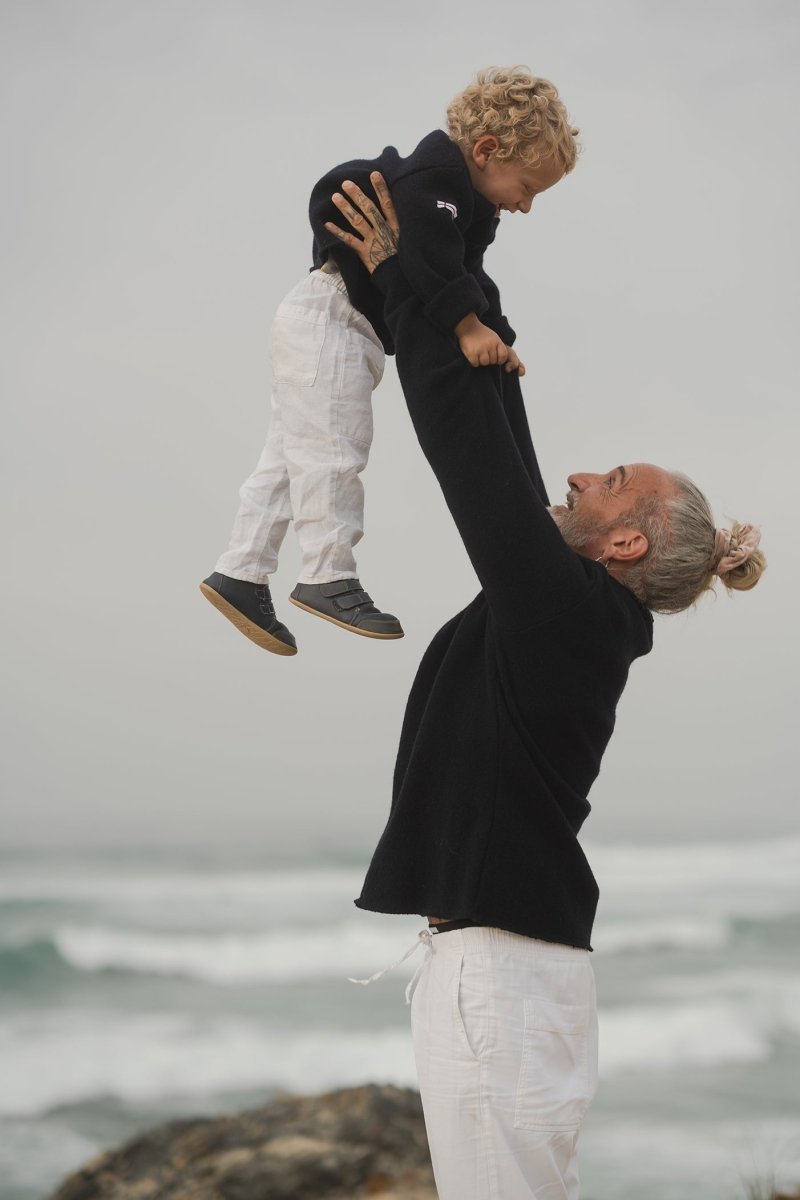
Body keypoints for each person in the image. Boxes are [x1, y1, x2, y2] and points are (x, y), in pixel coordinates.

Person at [327, 176, 765, 1200]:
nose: (575, 475)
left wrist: (402, 286)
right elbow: (502, 439)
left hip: (502, 979)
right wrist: (459, 283)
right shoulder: (574, 614)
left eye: (608, 479)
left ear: (623, 540)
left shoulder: (565, 616)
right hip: (511, 973)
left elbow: (470, 458)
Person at [200, 67, 577, 655]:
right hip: (332, 319)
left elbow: (466, 272)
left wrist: (496, 331)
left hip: (335, 324)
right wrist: (467, 325)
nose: (526, 205)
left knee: (290, 457)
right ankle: (328, 575)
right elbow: (427, 254)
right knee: (334, 447)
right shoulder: (436, 179)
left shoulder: (470, 208)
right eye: (527, 187)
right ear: (486, 151)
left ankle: (241, 571)